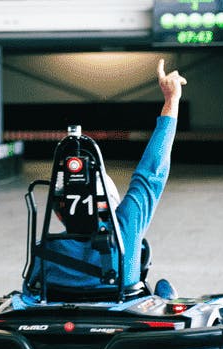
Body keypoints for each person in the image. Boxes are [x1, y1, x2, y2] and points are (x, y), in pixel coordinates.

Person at [30, 60, 186, 300]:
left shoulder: (45, 251)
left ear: (59, 211)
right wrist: (171, 100)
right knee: (165, 290)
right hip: (123, 323)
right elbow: (152, 172)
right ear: (110, 204)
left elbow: (30, 294)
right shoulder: (125, 232)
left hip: (54, 324)